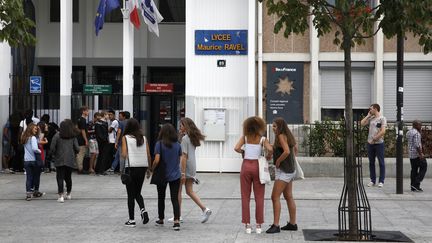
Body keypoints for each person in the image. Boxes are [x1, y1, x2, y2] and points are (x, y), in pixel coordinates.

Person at [234, 116, 272, 234]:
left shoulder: (245, 138)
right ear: (260, 126)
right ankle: (259, 225)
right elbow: (270, 149)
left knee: (245, 196)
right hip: (258, 167)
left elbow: (236, 148)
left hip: (246, 166)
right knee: (259, 197)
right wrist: (267, 156)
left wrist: (243, 151)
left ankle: (247, 225)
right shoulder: (262, 139)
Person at [170, 117, 211, 223]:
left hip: (185, 166)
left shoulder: (184, 139)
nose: (179, 127)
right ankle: (205, 209)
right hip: (192, 165)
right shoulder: (192, 138)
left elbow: (184, 156)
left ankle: (178, 215)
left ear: (185, 126)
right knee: (189, 191)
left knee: (178, 190)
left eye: (181, 125)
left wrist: (182, 172)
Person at [266, 118, 298, 233]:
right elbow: (295, 148)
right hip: (290, 170)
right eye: (273, 126)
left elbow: (287, 151)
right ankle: (292, 224)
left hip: (284, 171)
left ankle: (276, 225)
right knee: (288, 196)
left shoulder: (280, 136)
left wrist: (278, 161)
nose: (273, 128)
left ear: (280, 127)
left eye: (275, 126)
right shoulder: (287, 135)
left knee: (274, 197)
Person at [120, 118, 152, 227]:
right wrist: (149, 169)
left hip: (131, 168)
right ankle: (143, 210)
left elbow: (124, 154)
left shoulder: (125, 138)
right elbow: (148, 155)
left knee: (130, 195)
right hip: (142, 168)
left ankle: (131, 220)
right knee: (137, 192)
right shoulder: (143, 138)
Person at [152, 123, 182, 231]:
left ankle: (161, 218)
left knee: (161, 197)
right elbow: (179, 159)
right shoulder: (178, 144)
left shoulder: (159, 144)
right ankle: (177, 221)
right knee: (175, 198)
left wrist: (152, 168)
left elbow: (157, 159)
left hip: (162, 175)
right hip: (175, 175)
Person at [50, 119, 80, 203]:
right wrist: (75, 152)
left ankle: (61, 196)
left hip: (59, 159)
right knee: (68, 177)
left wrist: (53, 154)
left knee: (60, 177)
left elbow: (52, 147)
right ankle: (69, 194)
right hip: (70, 159)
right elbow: (77, 148)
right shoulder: (73, 136)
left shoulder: (57, 135)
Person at [361, 103, 387, 188]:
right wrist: (368, 116)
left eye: (371, 109)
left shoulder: (382, 118)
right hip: (370, 144)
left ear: (375, 109)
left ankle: (381, 181)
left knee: (381, 162)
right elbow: (362, 123)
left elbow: (383, 131)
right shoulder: (371, 118)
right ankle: (372, 180)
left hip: (379, 143)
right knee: (371, 162)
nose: (370, 110)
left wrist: (374, 139)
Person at [21, 123, 44, 201]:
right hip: (33, 160)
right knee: (35, 176)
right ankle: (35, 190)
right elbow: (34, 148)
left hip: (26, 160)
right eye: (34, 129)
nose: (36, 130)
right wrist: (40, 151)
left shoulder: (24, 138)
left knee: (28, 177)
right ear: (30, 129)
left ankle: (28, 194)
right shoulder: (33, 138)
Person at [407, 120, 427, 192]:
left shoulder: (409, 132)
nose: (421, 126)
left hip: (411, 154)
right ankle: (416, 183)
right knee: (424, 166)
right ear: (415, 125)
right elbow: (417, 145)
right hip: (417, 155)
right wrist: (421, 154)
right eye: (420, 125)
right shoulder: (416, 133)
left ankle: (413, 187)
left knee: (414, 170)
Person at [76, 106, 89, 174]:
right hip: (81, 139)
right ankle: (80, 169)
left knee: (80, 154)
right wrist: (86, 140)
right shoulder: (83, 120)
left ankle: (80, 168)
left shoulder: (79, 119)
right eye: (87, 111)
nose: (88, 112)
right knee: (81, 154)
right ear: (83, 111)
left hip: (79, 138)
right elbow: (83, 131)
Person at [105, 109, 119, 173]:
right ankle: (112, 167)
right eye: (108, 115)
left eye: (110, 115)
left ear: (114, 115)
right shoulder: (111, 122)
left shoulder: (114, 122)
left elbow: (109, 130)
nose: (109, 116)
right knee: (110, 155)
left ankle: (113, 168)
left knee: (111, 155)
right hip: (110, 141)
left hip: (113, 142)